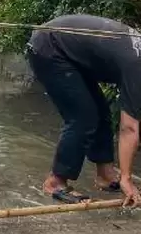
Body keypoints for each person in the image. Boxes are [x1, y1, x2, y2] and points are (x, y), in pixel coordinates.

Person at [26, 14, 141, 207]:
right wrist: (127, 178)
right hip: (50, 48)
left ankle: (105, 175)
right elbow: (129, 128)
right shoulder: (137, 67)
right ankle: (55, 182)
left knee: (100, 111)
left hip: (69, 51)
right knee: (83, 117)